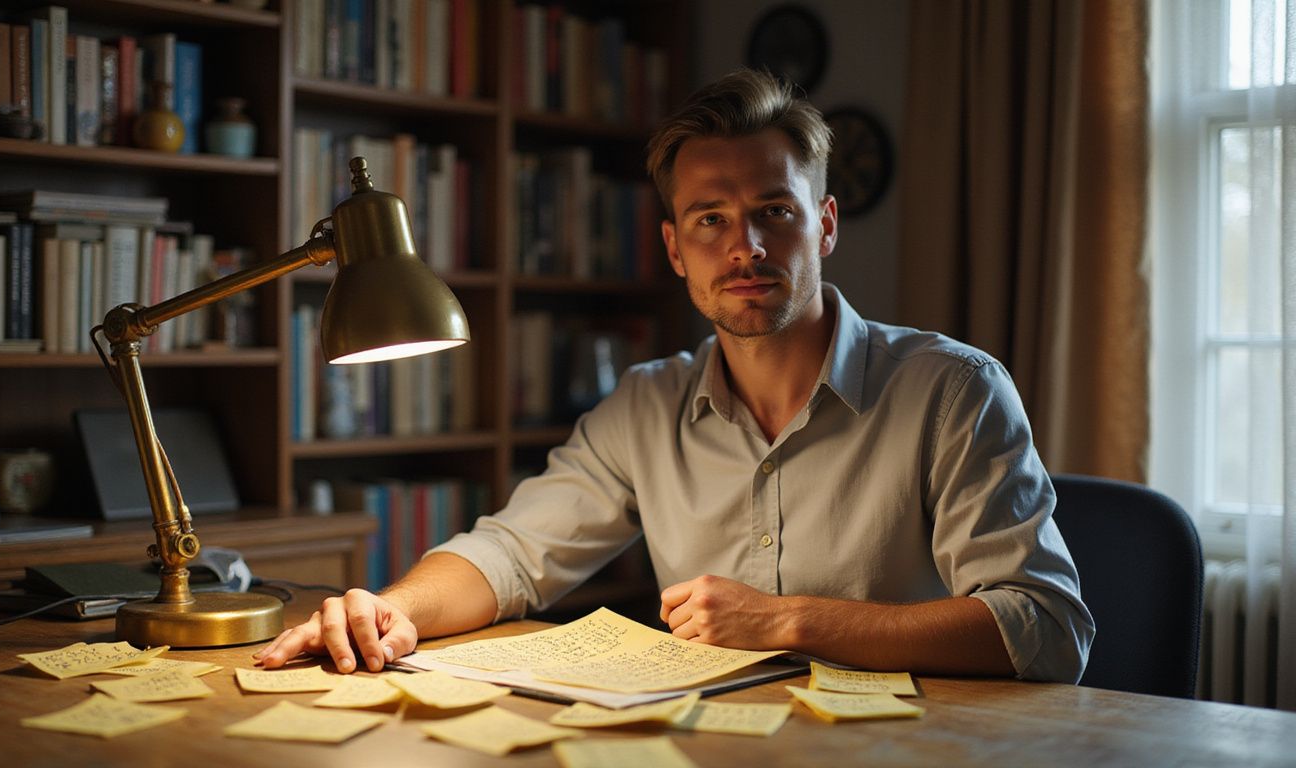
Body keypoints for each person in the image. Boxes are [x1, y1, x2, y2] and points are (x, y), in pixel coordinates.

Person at [255, 68, 1093, 683]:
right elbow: (511, 555)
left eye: (775, 212)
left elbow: (1044, 627)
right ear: (673, 249)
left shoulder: (953, 391)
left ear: (825, 225)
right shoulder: (646, 405)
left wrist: (789, 621)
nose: (746, 248)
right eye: (710, 220)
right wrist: (394, 610)